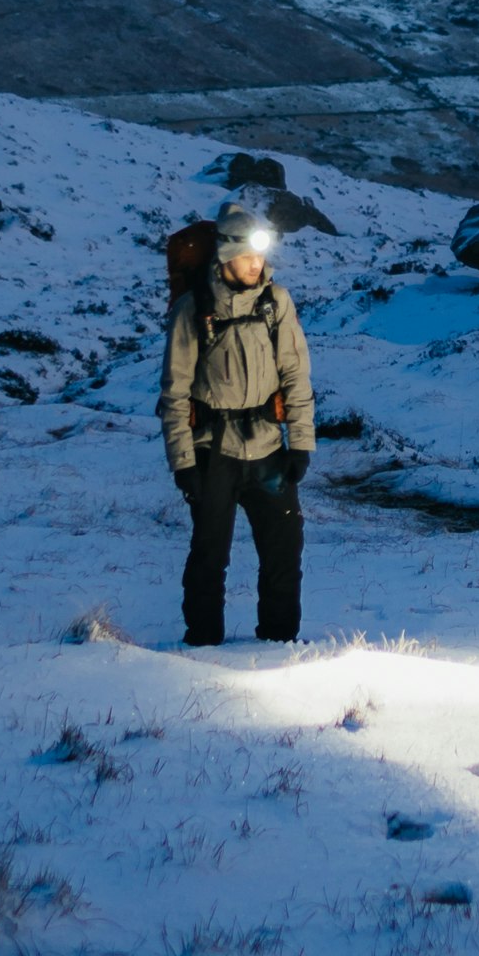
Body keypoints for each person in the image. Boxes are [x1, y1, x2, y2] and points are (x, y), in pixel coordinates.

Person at [161, 188, 316, 645]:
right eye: (246, 255)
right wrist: (183, 464)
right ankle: (204, 647)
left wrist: (302, 444)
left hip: (269, 450)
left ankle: (279, 644)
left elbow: (296, 376)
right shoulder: (193, 311)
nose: (255, 265)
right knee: (210, 556)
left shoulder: (276, 302)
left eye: (259, 255)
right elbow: (174, 392)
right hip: (215, 453)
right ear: (226, 255)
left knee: (284, 553)